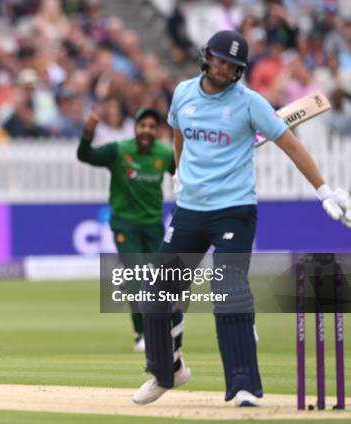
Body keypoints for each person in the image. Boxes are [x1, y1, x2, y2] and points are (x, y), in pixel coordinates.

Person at [132, 30, 351, 407]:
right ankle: (168, 371)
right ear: (207, 58)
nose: (224, 68)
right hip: (191, 210)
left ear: (239, 70)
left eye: (232, 64)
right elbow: (178, 133)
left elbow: (291, 145)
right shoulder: (184, 93)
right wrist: (180, 172)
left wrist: (324, 191)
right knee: (156, 291)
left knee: (228, 291)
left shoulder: (251, 103)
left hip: (234, 211)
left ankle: (243, 385)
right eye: (219, 60)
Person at [77, 107, 175, 352]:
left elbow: (183, 175)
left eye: (152, 127)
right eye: (143, 126)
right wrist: (87, 134)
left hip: (153, 225)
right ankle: (141, 333)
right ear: (135, 128)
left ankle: (161, 328)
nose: (147, 131)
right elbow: (85, 156)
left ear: (157, 130)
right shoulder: (119, 150)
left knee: (159, 279)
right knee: (136, 276)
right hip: (125, 224)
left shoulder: (164, 153)